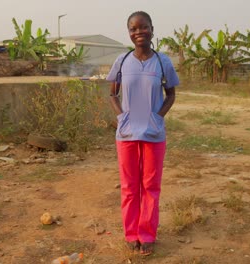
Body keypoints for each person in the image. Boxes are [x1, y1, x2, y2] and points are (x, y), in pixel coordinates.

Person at [106, 11, 180, 256]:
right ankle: (131, 233)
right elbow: (112, 94)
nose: (139, 32)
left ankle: (147, 234)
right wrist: (121, 117)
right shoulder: (122, 61)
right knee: (129, 186)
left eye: (143, 27)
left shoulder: (162, 62)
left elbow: (171, 94)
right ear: (129, 32)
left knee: (150, 186)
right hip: (126, 134)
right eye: (133, 29)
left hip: (153, 134)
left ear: (152, 29)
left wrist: (157, 117)